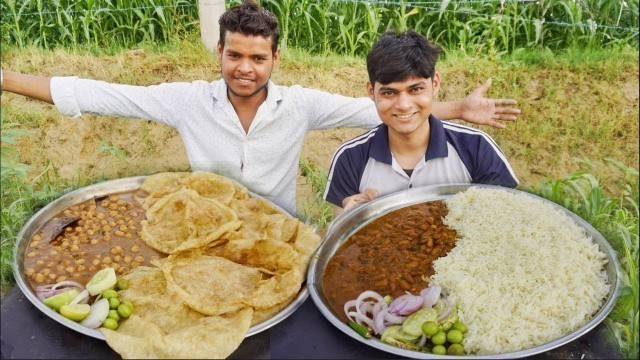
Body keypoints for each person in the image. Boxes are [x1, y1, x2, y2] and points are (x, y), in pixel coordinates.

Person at [0, 1, 520, 215]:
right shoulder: (184, 100)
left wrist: (458, 108)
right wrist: (7, 79)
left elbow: (387, 107)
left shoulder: (300, 106)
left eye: (256, 57)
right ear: (219, 54)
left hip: (278, 228)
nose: (244, 68)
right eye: (234, 56)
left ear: (275, 58)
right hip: (206, 223)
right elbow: (99, 93)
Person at [324, 30, 519, 217]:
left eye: (415, 89)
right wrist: (351, 220)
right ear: (370, 91)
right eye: (389, 93)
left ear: (435, 84)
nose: (404, 105)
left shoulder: (476, 148)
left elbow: (504, 223)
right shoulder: (350, 158)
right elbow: (342, 236)